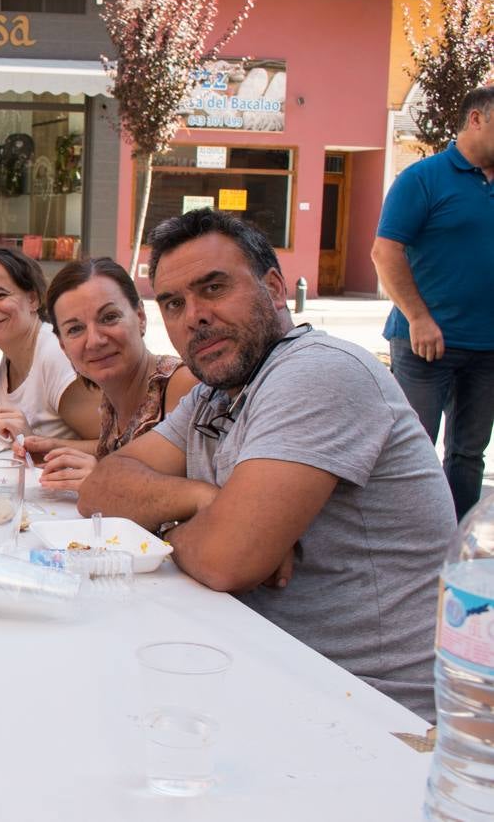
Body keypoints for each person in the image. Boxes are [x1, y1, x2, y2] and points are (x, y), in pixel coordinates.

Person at [79, 208, 452, 719]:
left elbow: (226, 560)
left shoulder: (319, 371)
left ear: (275, 288)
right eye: (173, 302)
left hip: (367, 708)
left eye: (213, 288)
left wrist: (173, 530)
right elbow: (100, 489)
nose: (194, 316)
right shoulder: (212, 395)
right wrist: (205, 502)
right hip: (265, 668)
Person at [371, 84, 494, 520]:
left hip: (487, 350)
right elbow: (385, 252)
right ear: (476, 119)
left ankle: (452, 539)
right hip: (425, 344)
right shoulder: (423, 178)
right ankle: (403, 536)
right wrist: (419, 318)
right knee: (411, 449)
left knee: (468, 455)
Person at [35, 257, 197, 491]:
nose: (95, 341)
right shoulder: (112, 396)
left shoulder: (183, 387)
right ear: (63, 346)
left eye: (109, 317)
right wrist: (49, 448)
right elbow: (119, 452)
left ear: (140, 317)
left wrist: (107, 481)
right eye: (75, 329)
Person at [0, 248, 100, 442]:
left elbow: (114, 448)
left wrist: (32, 443)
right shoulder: (11, 353)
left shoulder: (55, 355)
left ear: (33, 299)